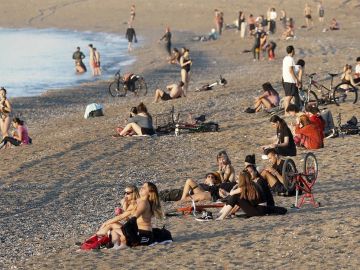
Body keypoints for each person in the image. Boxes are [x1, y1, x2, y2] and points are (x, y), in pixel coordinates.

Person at [216, 171, 286, 220]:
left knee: (236, 197)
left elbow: (231, 193)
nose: (237, 180)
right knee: (236, 197)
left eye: (238, 178)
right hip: (261, 209)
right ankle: (221, 214)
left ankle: (222, 216)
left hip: (258, 210)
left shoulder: (244, 187)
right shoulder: (252, 184)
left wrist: (235, 185)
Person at [113, 182, 163, 249]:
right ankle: (115, 246)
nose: (141, 188)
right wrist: (124, 204)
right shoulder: (139, 201)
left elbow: (134, 216)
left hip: (145, 235)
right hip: (138, 231)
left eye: (144, 188)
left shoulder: (144, 202)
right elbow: (127, 214)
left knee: (122, 233)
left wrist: (126, 228)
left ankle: (121, 246)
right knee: (115, 230)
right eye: (142, 186)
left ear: (149, 193)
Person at [282, 45, 300, 113]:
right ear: (292, 51)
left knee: (293, 96)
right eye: (294, 50)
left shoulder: (285, 58)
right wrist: (296, 79)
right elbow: (291, 70)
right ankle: (286, 112)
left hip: (286, 79)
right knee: (288, 97)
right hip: (290, 80)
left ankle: (293, 110)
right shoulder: (290, 59)